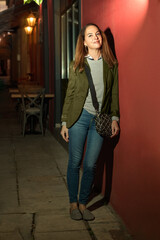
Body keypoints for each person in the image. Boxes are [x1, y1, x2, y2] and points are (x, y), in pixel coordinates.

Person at [61, 23, 120, 221]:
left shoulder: (110, 64)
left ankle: (83, 203)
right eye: (90, 35)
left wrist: (115, 118)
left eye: (97, 34)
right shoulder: (77, 64)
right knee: (75, 162)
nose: (95, 37)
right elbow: (69, 95)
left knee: (90, 164)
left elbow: (113, 94)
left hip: (100, 119)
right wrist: (64, 122)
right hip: (79, 117)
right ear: (84, 42)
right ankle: (72, 203)